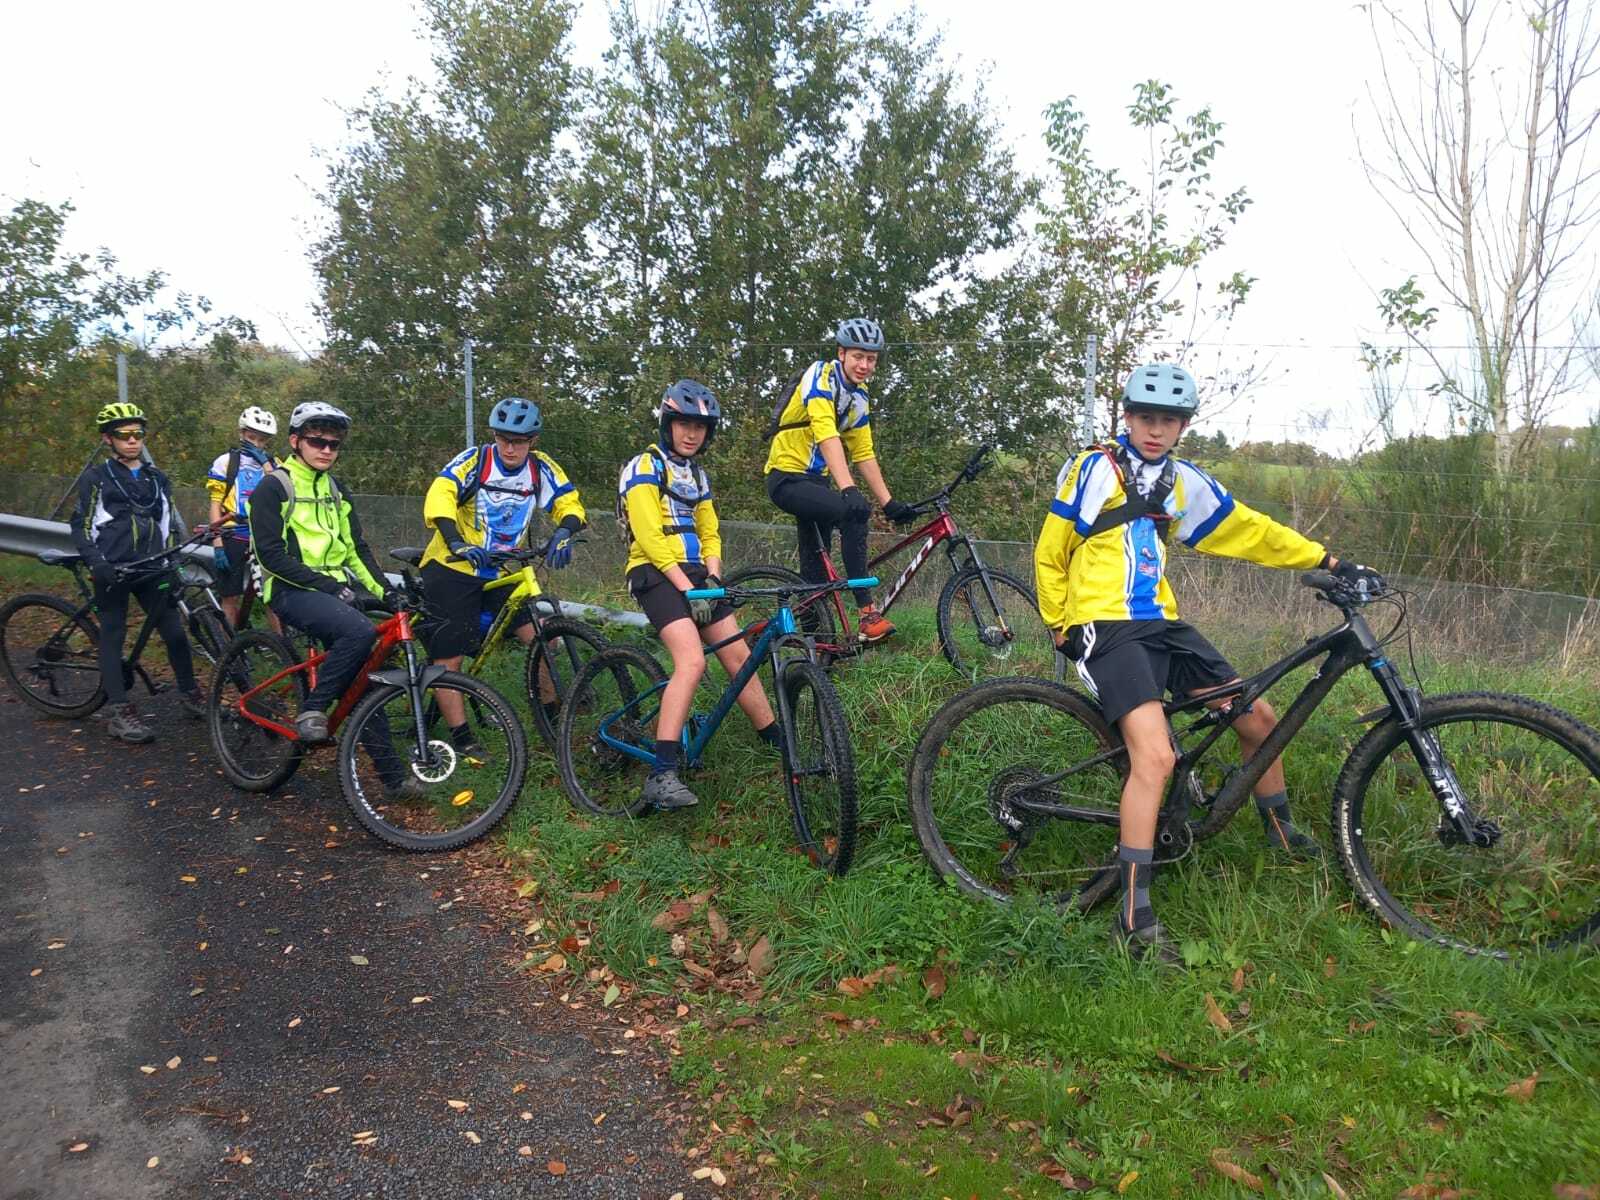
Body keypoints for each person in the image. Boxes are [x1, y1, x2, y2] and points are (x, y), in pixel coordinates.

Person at [1034, 362, 1381, 964]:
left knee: (1257, 718)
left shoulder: (1181, 481)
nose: (1154, 430)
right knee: (1157, 756)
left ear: (1183, 426)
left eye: (1167, 420)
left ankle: (1281, 834)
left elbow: (1249, 530)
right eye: (1145, 417)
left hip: (1161, 623)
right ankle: (1132, 914)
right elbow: (1051, 547)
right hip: (1102, 623)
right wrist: (1059, 623)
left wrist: (1328, 560)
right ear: (1127, 417)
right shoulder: (1096, 469)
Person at [621, 380, 782, 811]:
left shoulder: (698, 475)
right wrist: (686, 587)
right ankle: (662, 773)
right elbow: (650, 537)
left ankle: (775, 743)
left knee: (738, 656)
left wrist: (712, 577)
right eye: (684, 424)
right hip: (654, 572)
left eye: (701, 428)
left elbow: (709, 530)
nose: (692, 434)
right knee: (691, 661)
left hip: (695, 573)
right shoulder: (643, 467)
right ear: (668, 424)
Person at [248, 402, 415, 798]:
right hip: (291, 589)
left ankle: (392, 778)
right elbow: (270, 554)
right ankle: (314, 709)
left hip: (336, 589)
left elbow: (356, 549)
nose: (325, 449)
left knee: (368, 675)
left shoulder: (337, 489)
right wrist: (324, 585)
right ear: (295, 442)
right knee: (358, 633)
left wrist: (387, 593)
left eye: (333, 444)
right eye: (316, 441)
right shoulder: (275, 487)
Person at [419, 396, 586, 753]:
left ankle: (553, 720)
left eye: (520, 440)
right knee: (451, 658)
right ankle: (462, 739)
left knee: (544, 638)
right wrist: (455, 541)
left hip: (499, 569)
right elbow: (441, 493)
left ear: (532, 441)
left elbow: (569, 502)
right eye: (503, 438)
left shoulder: (540, 469)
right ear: (495, 435)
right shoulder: (476, 461)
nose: (510, 447)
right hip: (454, 567)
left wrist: (565, 530)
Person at [763, 317, 916, 644]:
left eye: (871, 359)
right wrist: (848, 489)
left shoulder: (859, 397)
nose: (864, 365)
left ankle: (815, 645)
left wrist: (889, 502)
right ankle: (867, 614)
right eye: (858, 356)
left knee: (815, 570)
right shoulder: (821, 375)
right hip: (787, 477)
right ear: (842, 353)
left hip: (815, 484)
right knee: (853, 514)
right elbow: (825, 431)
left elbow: (863, 452)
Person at [70, 402, 204, 744]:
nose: (132, 441)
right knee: (113, 635)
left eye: (138, 435)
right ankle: (118, 711)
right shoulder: (96, 478)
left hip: (150, 566)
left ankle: (191, 695)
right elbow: (81, 526)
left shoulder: (156, 478)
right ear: (107, 440)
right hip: (112, 568)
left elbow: (167, 523)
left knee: (174, 633)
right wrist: (96, 563)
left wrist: (171, 561)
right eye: (123, 435)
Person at [204, 405, 281, 630]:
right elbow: (215, 505)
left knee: (271, 596)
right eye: (251, 437)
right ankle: (228, 651)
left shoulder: (275, 464)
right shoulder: (226, 462)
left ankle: (283, 648)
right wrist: (217, 544)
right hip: (232, 534)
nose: (256, 443)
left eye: (262, 439)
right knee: (231, 596)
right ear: (241, 434)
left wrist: (265, 463)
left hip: (262, 536)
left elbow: (280, 490)